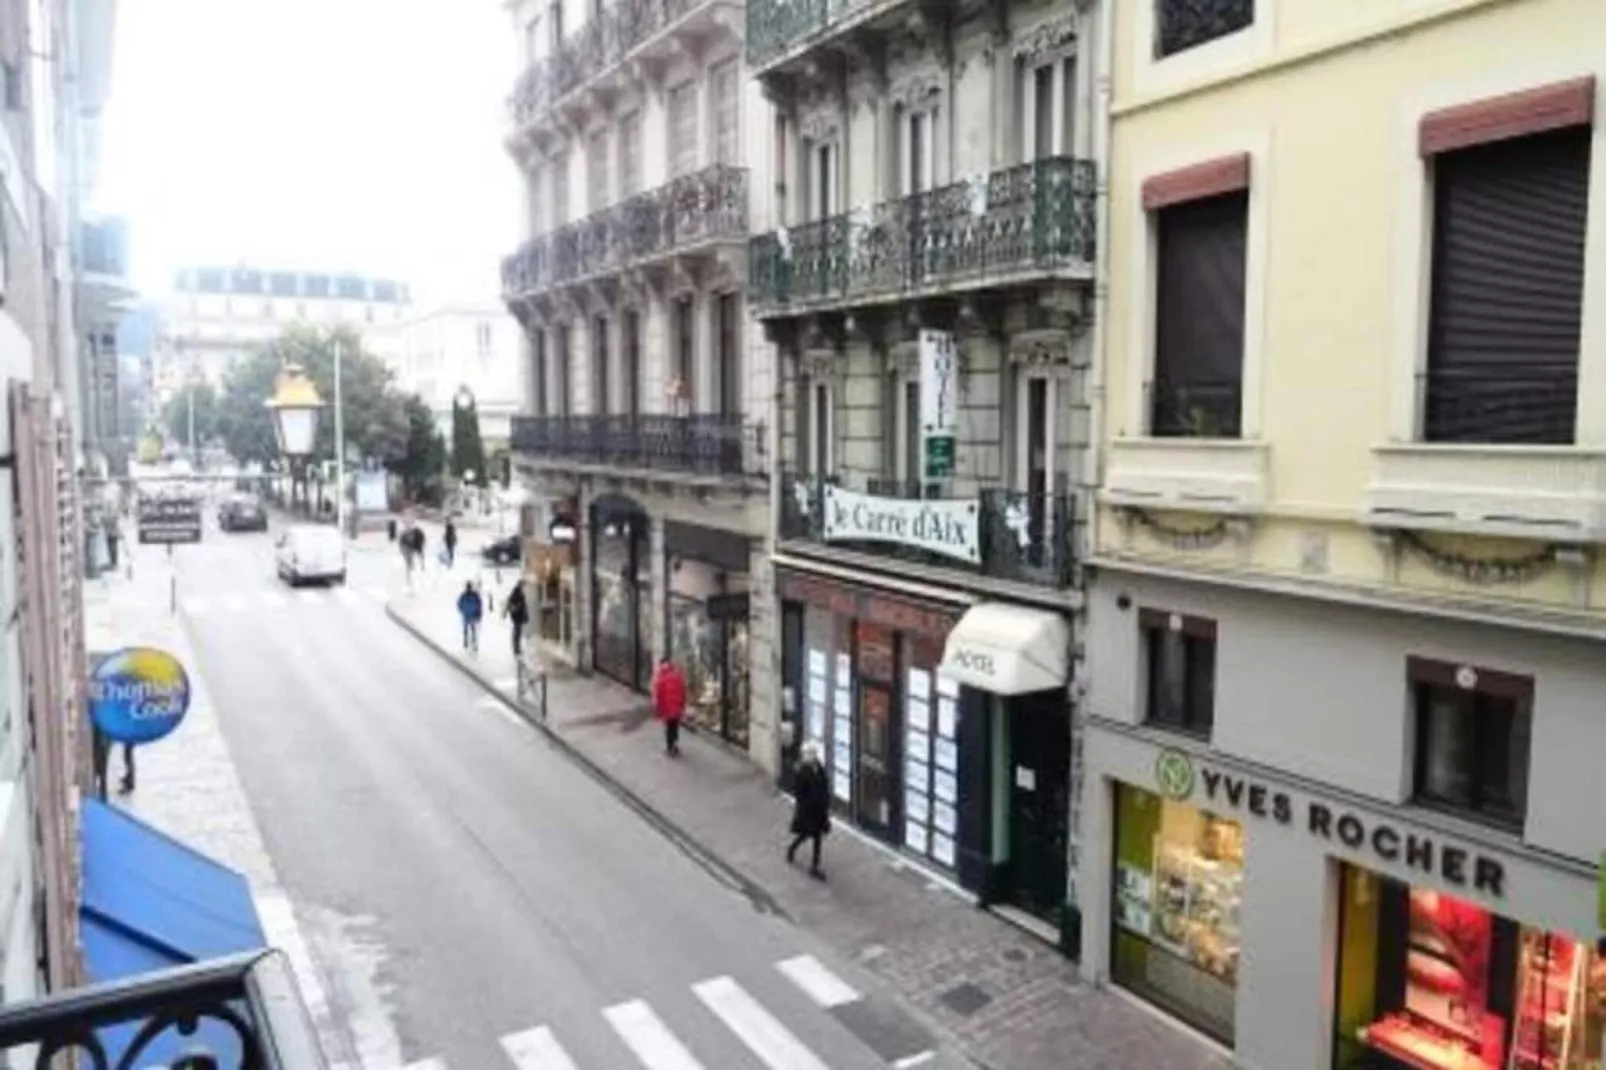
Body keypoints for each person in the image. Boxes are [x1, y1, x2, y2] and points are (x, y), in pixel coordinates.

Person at [787, 742, 830, 879]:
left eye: (814, 753)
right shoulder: (802, 771)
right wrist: (805, 807)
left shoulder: (818, 767)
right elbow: (799, 793)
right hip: (808, 811)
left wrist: (825, 803)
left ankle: (814, 866)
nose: (812, 756)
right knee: (806, 835)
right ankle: (792, 849)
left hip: (819, 811)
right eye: (810, 753)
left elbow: (824, 783)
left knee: (817, 837)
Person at [651, 656, 687, 757]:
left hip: (667, 708)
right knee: (675, 727)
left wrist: (658, 710)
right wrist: (682, 705)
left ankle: (670, 747)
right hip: (676, 707)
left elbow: (658, 696)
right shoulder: (677, 675)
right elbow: (682, 691)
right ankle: (674, 745)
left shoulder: (660, 678)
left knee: (669, 728)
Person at [504, 580, 529, 658]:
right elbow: (522, 606)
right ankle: (516, 649)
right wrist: (525, 614)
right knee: (517, 632)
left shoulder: (516, 593)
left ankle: (517, 648)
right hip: (517, 615)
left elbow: (510, 603)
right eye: (523, 586)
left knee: (517, 631)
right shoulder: (518, 594)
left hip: (516, 615)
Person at [457, 581, 483, 652]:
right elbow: (479, 604)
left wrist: (462, 610)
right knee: (472, 629)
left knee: (469, 629)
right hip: (470, 614)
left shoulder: (465, 595)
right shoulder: (473, 595)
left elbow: (459, 604)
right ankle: (471, 642)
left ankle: (468, 641)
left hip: (468, 614)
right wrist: (479, 613)